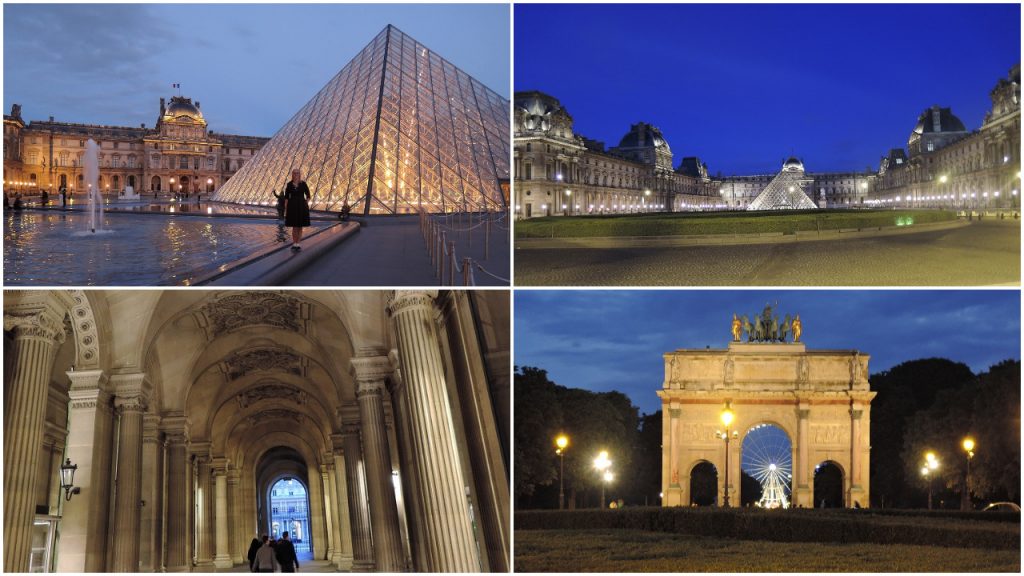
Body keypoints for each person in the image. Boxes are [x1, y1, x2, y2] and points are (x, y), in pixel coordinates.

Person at [283, 169, 311, 250]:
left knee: (300, 226)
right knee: (294, 226)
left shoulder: (303, 184)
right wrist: (286, 208)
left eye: (297, 173)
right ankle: (294, 243)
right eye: (294, 173)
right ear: (292, 174)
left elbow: (308, 195)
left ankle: (298, 243)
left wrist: (305, 203)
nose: (296, 174)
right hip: (292, 207)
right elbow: (286, 198)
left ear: (300, 174)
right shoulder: (289, 184)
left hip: (302, 206)